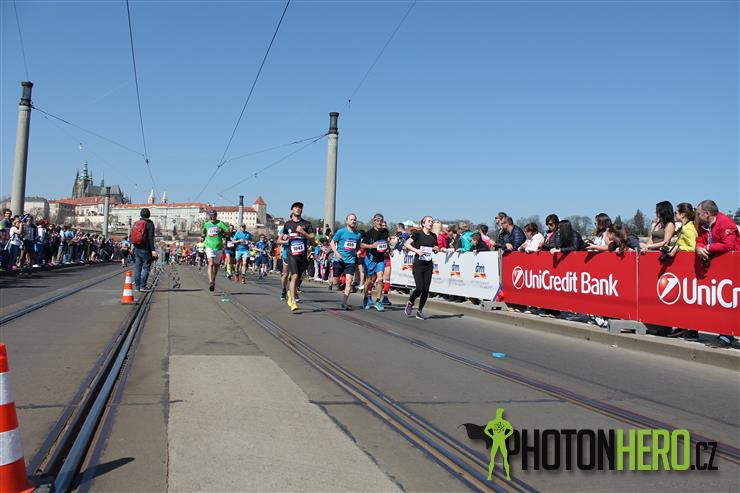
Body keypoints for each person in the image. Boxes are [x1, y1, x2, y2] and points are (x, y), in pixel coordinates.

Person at [695, 200, 740, 349]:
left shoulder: (725, 223)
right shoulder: (702, 225)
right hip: (720, 270)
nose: (697, 216)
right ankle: (725, 336)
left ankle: (726, 336)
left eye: (699, 213)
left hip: (734, 268)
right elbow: (699, 241)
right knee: (724, 303)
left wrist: (708, 247)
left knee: (732, 303)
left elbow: (729, 245)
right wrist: (699, 248)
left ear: (707, 214)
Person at [280, 202, 315, 311]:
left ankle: (290, 293)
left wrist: (303, 232)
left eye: (300, 207)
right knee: (294, 276)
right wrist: (284, 239)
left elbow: (313, 238)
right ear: (292, 210)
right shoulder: (287, 224)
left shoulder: (307, 224)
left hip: (303, 255)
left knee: (298, 278)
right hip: (291, 254)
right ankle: (293, 301)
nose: (298, 209)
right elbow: (281, 238)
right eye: (296, 207)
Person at [404, 216, 439, 320]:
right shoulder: (417, 233)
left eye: (432, 221)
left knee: (426, 290)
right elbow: (406, 244)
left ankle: (419, 311)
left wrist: (436, 249)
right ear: (423, 223)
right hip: (418, 263)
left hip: (428, 264)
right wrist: (417, 251)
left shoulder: (433, 236)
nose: (431, 223)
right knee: (419, 288)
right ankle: (411, 301)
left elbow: (435, 249)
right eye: (429, 221)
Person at [330, 213, 363, 310]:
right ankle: (336, 282)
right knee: (335, 283)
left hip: (350, 261)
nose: (353, 221)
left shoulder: (358, 234)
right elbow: (332, 242)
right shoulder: (341, 232)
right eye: (351, 219)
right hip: (339, 259)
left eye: (355, 219)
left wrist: (358, 251)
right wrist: (336, 253)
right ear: (347, 221)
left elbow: (358, 246)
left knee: (349, 281)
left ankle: (344, 303)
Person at [361, 213, 390, 311]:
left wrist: (388, 250)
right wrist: (371, 246)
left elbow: (386, 243)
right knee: (369, 280)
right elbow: (362, 245)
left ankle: (378, 301)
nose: (379, 222)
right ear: (374, 222)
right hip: (370, 259)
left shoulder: (385, 231)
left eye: (381, 221)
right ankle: (366, 298)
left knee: (380, 279)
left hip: (380, 259)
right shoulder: (369, 233)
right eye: (377, 221)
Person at [202, 209, 230, 292]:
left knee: (216, 265)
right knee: (210, 263)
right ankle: (210, 282)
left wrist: (222, 231)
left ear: (216, 215)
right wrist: (203, 235)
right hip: (209, 246)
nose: (212, 217)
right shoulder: (206, 224)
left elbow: (229, 232)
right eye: (211, 215)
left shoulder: (220, 223)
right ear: (209, 216)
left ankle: (213, 280)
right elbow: (204, 233)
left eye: (214, 215)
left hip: (218, 247)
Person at [131, 208, 157, 292]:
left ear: (141, 214)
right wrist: (153, 250)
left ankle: (137, 287)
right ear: (149, 215)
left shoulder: (137, 223)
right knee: (146, 267)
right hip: (146, 249)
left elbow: (132, 236)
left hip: (137, 248)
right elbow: (150, 238)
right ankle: (143, 286)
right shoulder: (150, 224)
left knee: (137, 267)